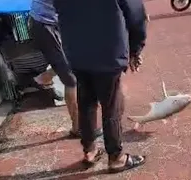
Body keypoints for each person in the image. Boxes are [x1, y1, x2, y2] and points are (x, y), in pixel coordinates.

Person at [54, 0, 148, 173]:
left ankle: (89, 151)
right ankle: (116, 157)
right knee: (112, 105)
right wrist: (135, 48)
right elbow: (135, 13)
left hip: (77, 51)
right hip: (108, 51)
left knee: (86, 102)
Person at [28, 0, 103, 138]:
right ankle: (79, 128)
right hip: (46, 25)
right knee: (71, 79)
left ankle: (44, 77)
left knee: (76, 58)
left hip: (59, 22)